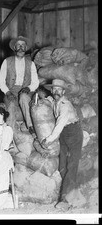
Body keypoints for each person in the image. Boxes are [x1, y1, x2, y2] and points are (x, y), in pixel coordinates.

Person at [42, 79, 83, 210]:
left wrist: (48, 139)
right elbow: (48, 99)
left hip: (73, 132)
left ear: (63, 91)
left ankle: (65, 201)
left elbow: (59, 125)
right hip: (65, 134)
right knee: (62, 166)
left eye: (59, 89)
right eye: (54, 89)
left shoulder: (65, 104)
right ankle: (76, 196)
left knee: (71, 166)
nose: (56, 91)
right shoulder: (55, 101)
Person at [0, 36, 39, 135]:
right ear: (14, 48)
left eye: (23, 46)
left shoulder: (31, 64)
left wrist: (28, 88)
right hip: (10, 90)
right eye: (18, 45)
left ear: (26, 48)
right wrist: (7, 92)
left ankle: (30, 126)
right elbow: (0, 81)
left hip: (25, 90)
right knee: (11, 104)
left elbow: (35, 82)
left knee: (24, 97)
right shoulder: (7, 61)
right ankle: (9, 134)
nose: (21, 48)